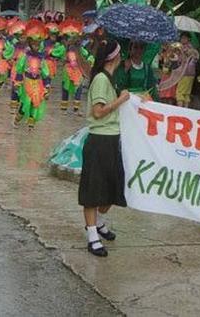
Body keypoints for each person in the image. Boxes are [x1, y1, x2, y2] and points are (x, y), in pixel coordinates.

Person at [78, 40, 130, 257]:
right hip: (99, 139)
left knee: (111, 189)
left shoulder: (110, 79)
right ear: (114, 58)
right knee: (93, 190)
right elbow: (99, 112)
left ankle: (98, 222)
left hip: (111, 139)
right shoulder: (100, 80)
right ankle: (92, 236)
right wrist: (120, 100)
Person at [176, 32, 199, 107]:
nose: (181, 40)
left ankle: (180, 110)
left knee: (180, 92)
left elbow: (180, 60)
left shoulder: (184, 48)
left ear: (188, 39)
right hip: (192, 73)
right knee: (187, 93)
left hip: (184, 72)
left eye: (183, 38)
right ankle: (186, 109)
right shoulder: (193, 49)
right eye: (181, 38)